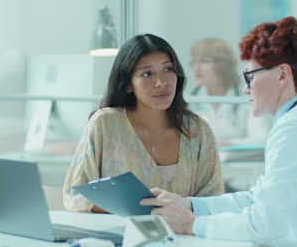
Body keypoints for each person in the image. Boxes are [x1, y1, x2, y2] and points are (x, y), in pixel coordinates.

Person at [141, 17, 297, 246]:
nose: (245, 88)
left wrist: (191, 223)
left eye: (250, 76)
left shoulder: (295, 129)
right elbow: (255, 198)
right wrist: (188, 205)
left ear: (282, 75)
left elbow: (263, 225)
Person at [63, 33, 225, 213]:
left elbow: (214, 200)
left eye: (168, 69)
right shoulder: (105, 123)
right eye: (147, 73)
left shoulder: (197, 130)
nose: (161, 82)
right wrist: (138, 210)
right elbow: (75, 195)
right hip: (121, 237)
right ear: (128, 84)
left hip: (184, 237)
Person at [189, 38, 270, 147]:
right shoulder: (191, 101)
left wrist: (231, 145)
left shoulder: (245, 99)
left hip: (237, 162)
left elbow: (262, 139)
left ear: (222, 65)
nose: (196, 68)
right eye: (194, 61)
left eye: (203, 61)